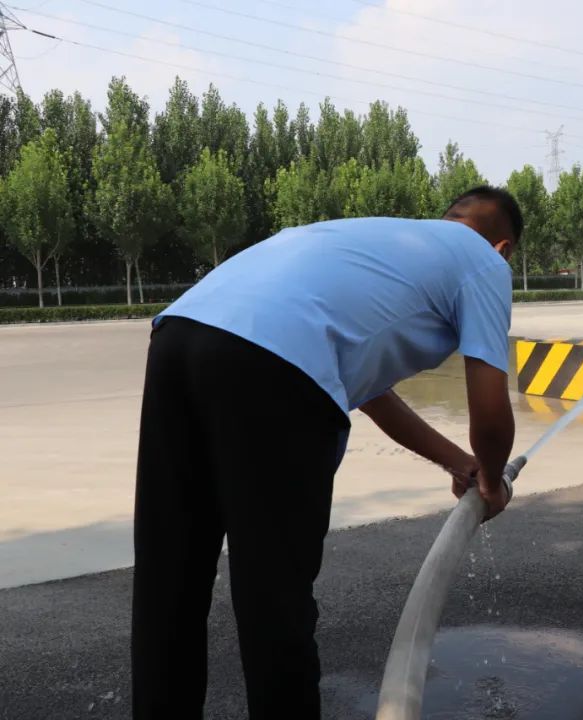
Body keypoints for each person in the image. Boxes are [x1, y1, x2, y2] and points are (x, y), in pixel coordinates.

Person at [131, 186, 522, 719]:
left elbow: (367, 391)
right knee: (274, 599)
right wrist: (493, 480)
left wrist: (457, 461)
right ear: (503, 247)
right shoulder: (485, 261)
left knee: (170, 579)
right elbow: (491, 407)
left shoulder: (384, 240)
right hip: (271, 364)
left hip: (179, 334)